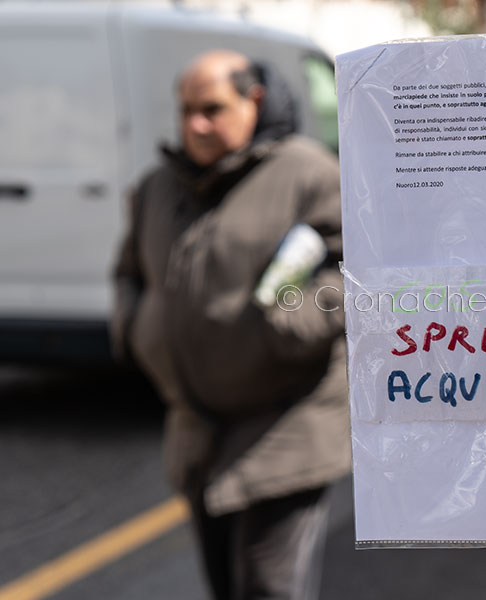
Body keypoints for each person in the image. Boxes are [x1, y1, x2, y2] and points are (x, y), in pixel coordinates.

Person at [111, 50, 350, 600]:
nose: (195, 125)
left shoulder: (309, 174)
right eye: (186, 111)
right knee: (223, 586)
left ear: (254, 101)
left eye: (212, 110)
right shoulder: (159, 186)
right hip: (196, 433)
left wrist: (291, 322)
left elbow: (351, 271)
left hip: (285, 426)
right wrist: (135, 329)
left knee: (267, 587)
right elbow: (129, 272)